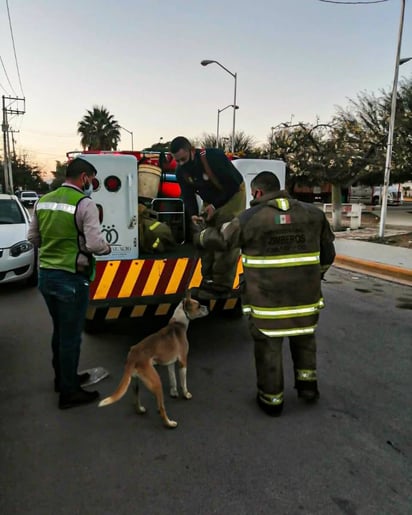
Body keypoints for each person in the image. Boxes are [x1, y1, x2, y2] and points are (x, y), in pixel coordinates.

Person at [193, 171, 336, 416]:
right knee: (304, 339)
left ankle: (271, 401)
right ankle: (308, 388)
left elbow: (221, 240)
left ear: (258, 192)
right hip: (305, 299)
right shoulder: (314, 214)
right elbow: (328, 255)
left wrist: (200, 234)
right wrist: (315, 276)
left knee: (269, 347)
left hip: (267, 303)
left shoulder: (250, 218)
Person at [28, 157, 111, 409]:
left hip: (46, 277)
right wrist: (107, 248)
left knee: (60, 331)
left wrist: (55, 247)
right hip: (72, 280)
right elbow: (96, 245)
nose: (92, 185)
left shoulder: (43, 200)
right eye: (92, 180)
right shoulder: (85, 204)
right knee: (71, 337)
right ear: (84, 177)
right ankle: (69, 392)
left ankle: (62, 378)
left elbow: (32, 238)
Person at [170, 136, 246, 294]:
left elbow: (232, 185)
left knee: (226, 237)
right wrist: (193, 214)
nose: (181, 164)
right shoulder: (180, 172)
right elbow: (188, 195)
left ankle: (222, 284)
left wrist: (215, 206)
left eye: (183, 159)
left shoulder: (213, 157)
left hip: (232, 195)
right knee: (206, 237)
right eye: (177, 161)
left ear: (192, 150)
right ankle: (208, 279)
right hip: (210, 200)